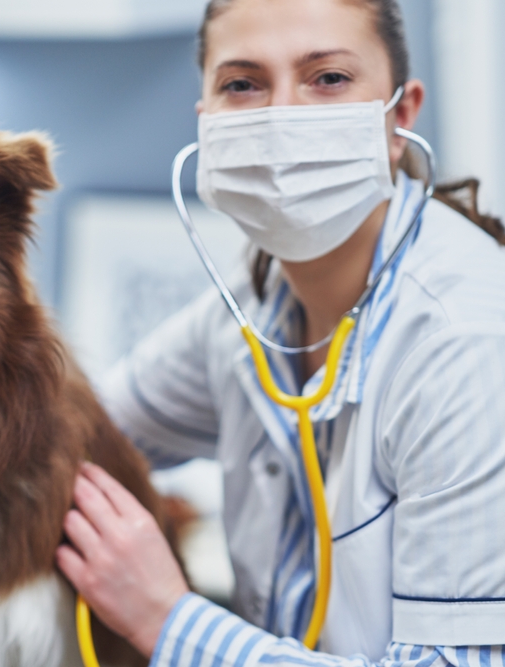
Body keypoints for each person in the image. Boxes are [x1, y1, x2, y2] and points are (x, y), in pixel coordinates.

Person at [56, 0, 505, 665]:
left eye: (328, 78)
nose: (283, 115)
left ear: (399, 119)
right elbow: (73, 429)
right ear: (205, 121)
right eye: (243, 83)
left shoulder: (465, 340)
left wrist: (168, 619)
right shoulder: (250, 313)